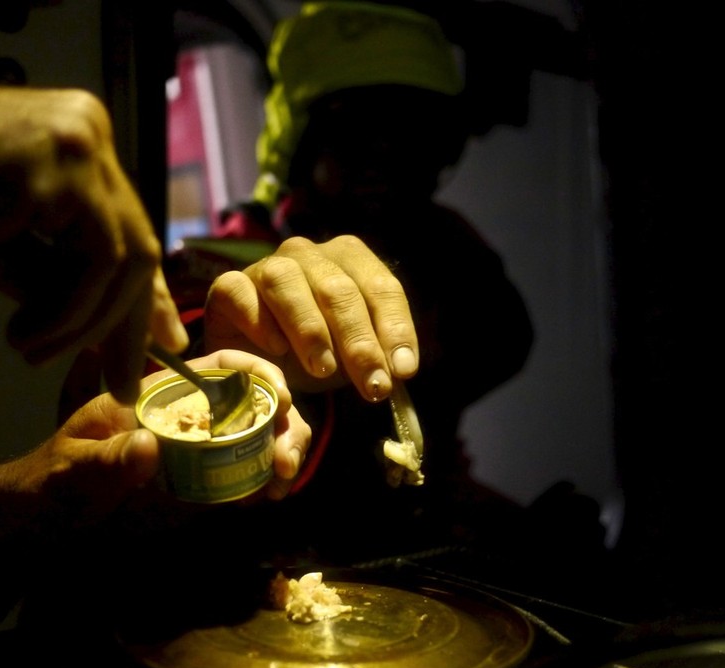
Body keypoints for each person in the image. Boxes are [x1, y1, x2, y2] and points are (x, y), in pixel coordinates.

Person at [0, 82, 420, 655]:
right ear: (305, 150)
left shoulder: (452, 253)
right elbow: (178, 315)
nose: (382, 168)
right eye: (356, 143)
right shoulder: (231, 245)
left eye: (411, 149)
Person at [177, 2, 535, 564]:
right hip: (271, 536)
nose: (384, 155)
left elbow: (509, 339)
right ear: (302, 141)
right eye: (354, 127)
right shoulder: (225, 258)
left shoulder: (447, 242)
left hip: (428, 505)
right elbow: (176, 359)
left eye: (414, 133)